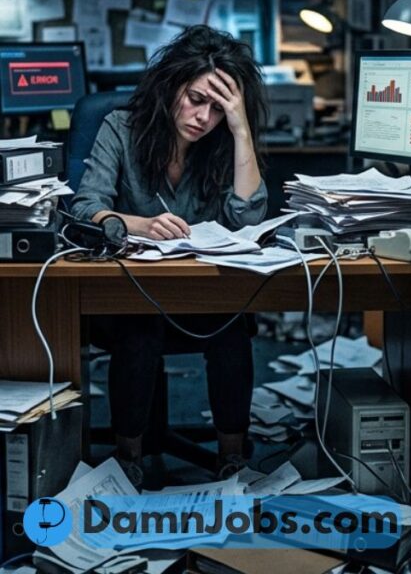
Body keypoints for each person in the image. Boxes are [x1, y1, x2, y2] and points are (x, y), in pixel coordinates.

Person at [70, 25, 268, 488]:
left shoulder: (223, 144)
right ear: (172, 85)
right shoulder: (120, 127)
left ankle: (233, 458)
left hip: (199, 298)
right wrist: (138, 225)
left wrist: (240, 130)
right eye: (196, 98)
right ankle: (128, 459)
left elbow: (248, 218)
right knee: (139, 332)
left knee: (231, 329)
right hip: (127, 297)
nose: (203, 117)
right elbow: (83, 208)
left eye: (218, 110)